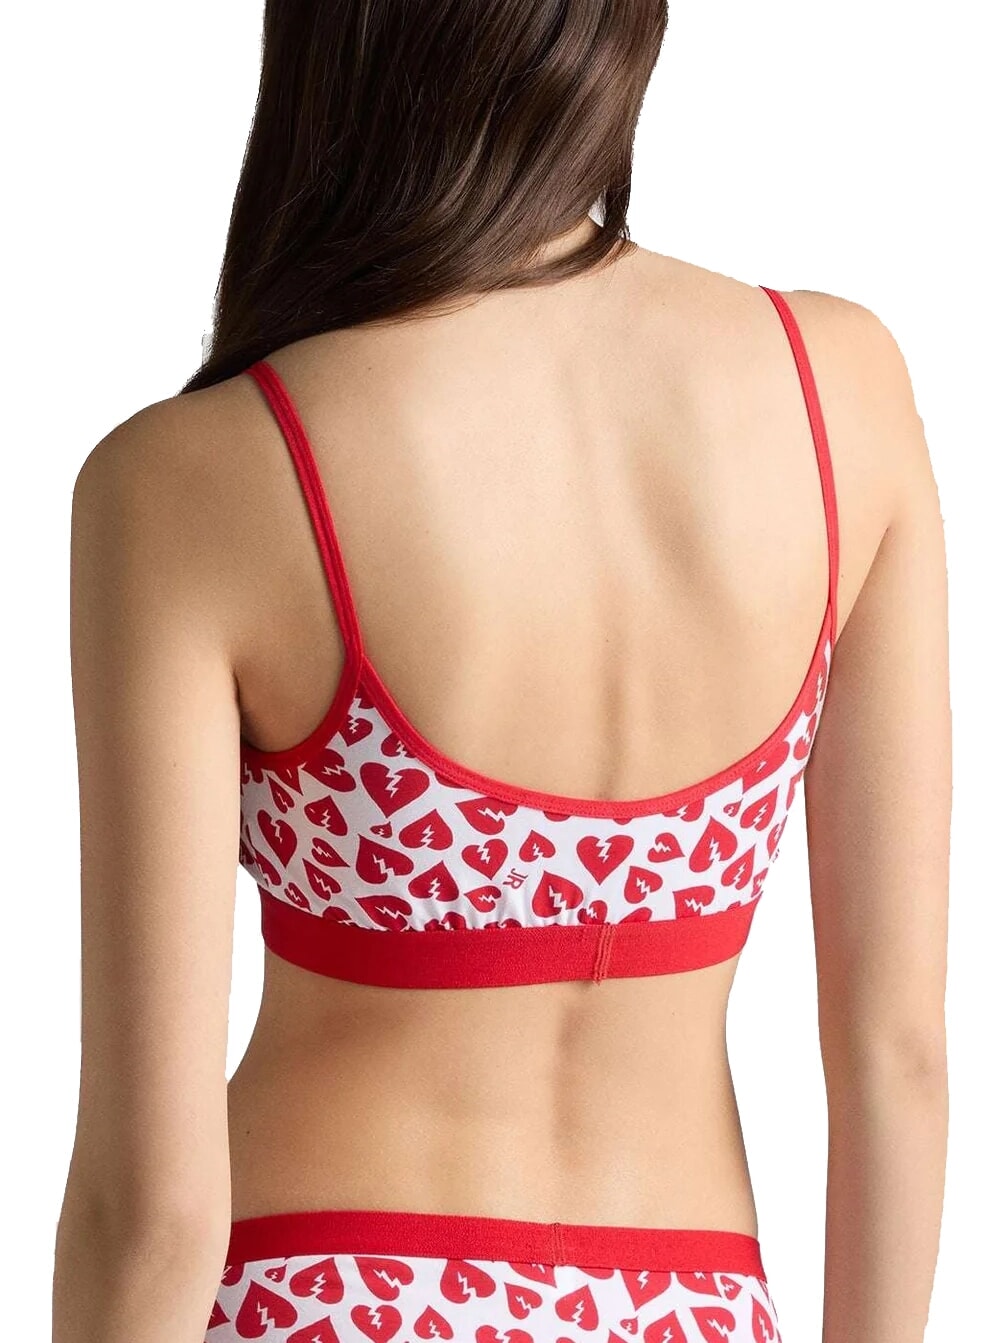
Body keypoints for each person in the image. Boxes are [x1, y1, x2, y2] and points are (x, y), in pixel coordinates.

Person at [52, 3, 950, 1341]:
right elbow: (897, 1061)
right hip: (691, 1307)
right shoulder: (841, 394)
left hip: (325, 1294)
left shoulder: (191, 480)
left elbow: (152, 1214)